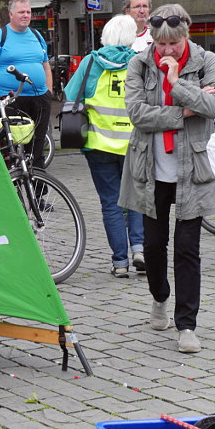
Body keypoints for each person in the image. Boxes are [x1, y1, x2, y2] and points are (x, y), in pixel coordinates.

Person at [119, 4, 215, 354]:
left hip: (192, 171)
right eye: (161, 45)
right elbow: (137, 114)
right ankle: (159, 296)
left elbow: (213, 109)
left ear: (185, 36)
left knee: (188, 250)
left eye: (173, 44)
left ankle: (186, 325)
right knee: (155, 248)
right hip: (151, 169)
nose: (167, 51)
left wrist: (176, 83)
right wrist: (186, 109)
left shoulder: (206, 62)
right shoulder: (139, 63)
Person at [64, 15, 144, 278]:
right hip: (134, 145)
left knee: (111, 202)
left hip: (98, 145)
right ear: (131, 36)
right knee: (136, 199)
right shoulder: (139, 62)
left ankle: (120, 262)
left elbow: (70, 95)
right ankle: (140, 249)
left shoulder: (90, 62)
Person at [0, 0, 52, 173]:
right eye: (21, 12)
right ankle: (15, 191)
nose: (26, 15)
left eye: (28, 12)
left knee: (37, 147)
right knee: (13, 148)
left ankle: (38, 195)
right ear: (11, 14)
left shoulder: (37, 35)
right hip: (11, 100)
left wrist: (49, 93)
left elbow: (46, 67)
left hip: (39, 98)